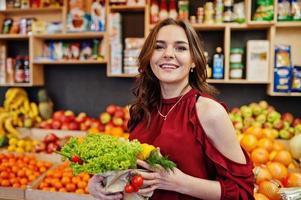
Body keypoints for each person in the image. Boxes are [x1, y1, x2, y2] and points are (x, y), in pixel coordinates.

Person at [88, 18, 254, 200]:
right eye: (159, 47)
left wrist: (180, 183)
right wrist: (104, 183)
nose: (168, 54)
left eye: (180, 48)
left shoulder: (209, 112)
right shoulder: (142, 109)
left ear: (194, 60)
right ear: (149, 56)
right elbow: (136, 173)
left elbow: (243, 192)